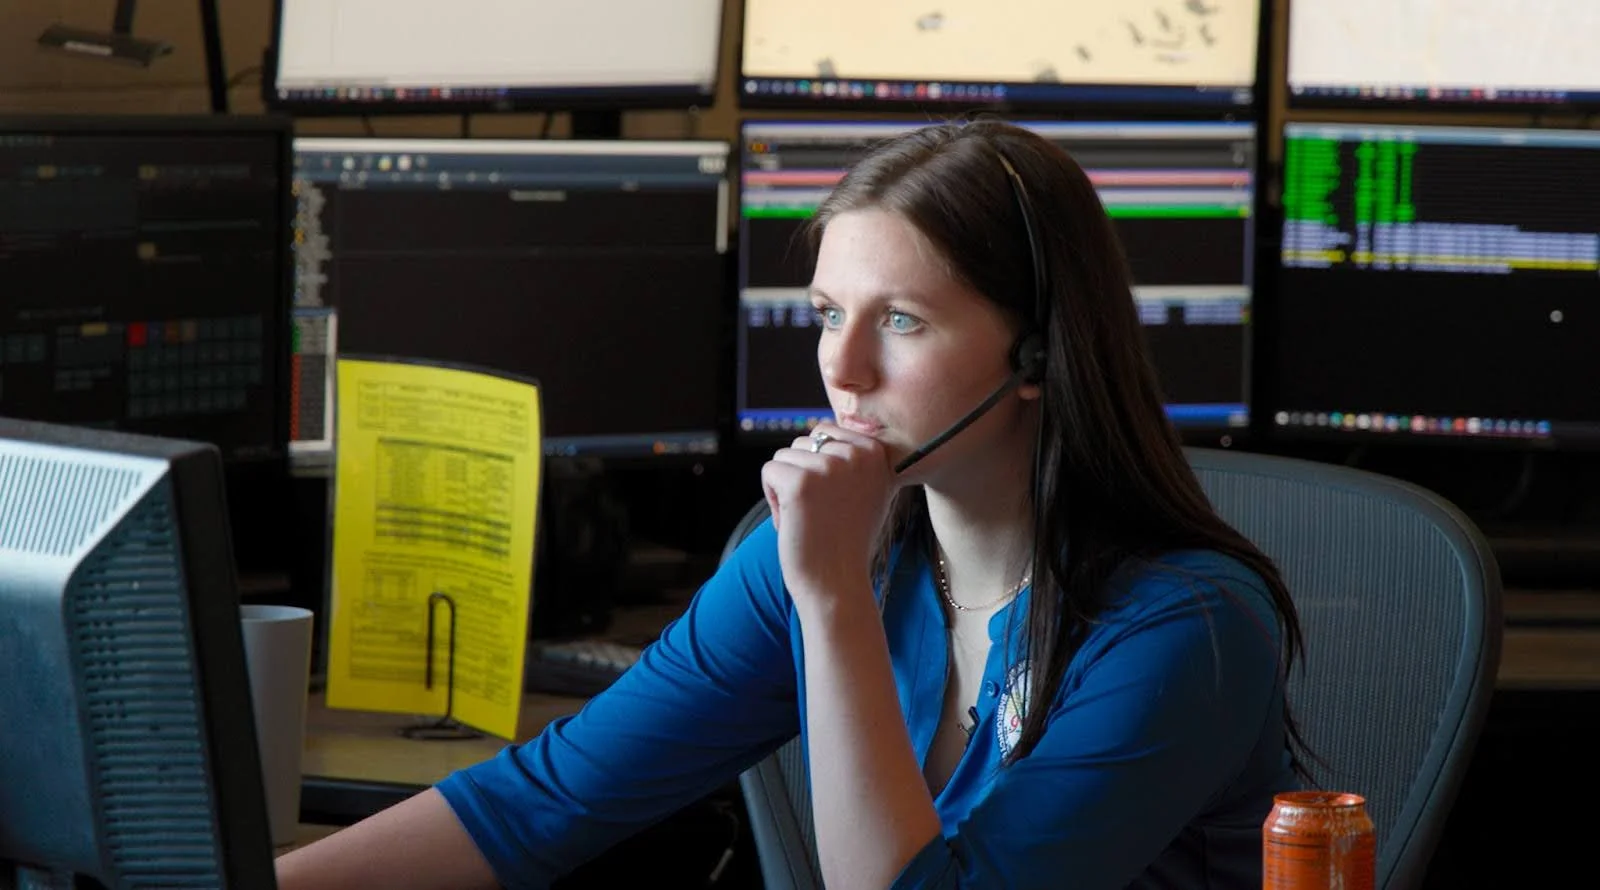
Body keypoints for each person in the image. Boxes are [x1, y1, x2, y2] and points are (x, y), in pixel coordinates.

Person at [276, 119, 1305, 890]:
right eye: (825, 314)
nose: (842, 368)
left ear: (1036, 351)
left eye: (900, 319)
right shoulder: (813, 557)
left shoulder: (1181, 628)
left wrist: (829, 599)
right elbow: (542, 802)